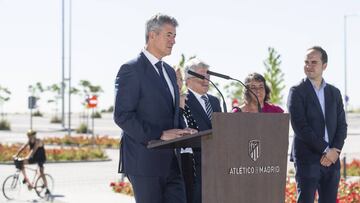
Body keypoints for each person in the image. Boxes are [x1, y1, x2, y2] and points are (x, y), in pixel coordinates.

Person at [114, 13, 192, 203]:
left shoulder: (169, 72)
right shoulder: (131, 69)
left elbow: (170, 112)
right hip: (144, 162)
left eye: (174, 36)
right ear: (152, 35)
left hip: (171, 162)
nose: (173, 41)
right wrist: (160, 134)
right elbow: (122, 116)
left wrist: (183, 130)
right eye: (169, 35)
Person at [287, 46, 347, 203]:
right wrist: (326, 150)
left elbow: (342, 125)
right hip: (307, 158)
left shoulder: (334, 93)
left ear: (324, 66)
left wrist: (335, 150)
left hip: (332, 160)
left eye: (314, 62)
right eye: (306, 62)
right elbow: (300, 127)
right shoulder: (297, 91)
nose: (309, 65)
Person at [183, 58, 222, 203]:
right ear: (188, 79)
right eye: (201, 76)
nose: (206, 80)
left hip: (216, 163)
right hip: (195, 165)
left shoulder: (215, 101)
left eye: (208, 76)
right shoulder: (183, 100)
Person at [13, 129, 50, 195]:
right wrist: (17, 154)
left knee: (41, 172)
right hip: (34, 157)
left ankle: (47, 188)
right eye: (28, 136)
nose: (29, 137)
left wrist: (28, 157)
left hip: (41, 158)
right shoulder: (29, 140)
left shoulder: (38, 141)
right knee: (21, 162)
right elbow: (23, 147)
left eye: (30, 136)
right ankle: (26, 179)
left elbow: (33, 150)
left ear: (33, 136)